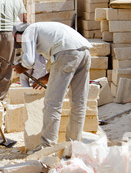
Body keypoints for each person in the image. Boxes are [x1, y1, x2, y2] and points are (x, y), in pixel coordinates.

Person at [13, 21, 92, 149]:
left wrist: (21, 67)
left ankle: (47, 146)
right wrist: (47, 77)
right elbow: (60, 61)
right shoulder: (46, 31)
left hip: (67, 52)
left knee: (52, 103)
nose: (22, 44)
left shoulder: (28, 31)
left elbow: (29, 61)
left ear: (18, 36)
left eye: (20, 42)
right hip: (84, 51)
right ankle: (73, 145)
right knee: (79, 102)